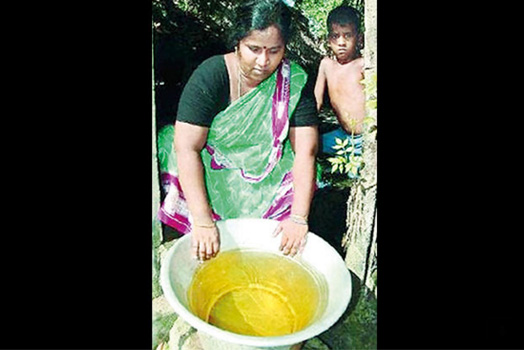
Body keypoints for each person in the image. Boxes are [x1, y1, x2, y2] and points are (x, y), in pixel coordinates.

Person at [157, 0, 319, 261]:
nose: (263, 61)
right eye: (254, 49)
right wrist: (203, 221)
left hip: (266, 169)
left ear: (284, 49)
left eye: (274, 51)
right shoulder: (212, 74)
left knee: (304, 181)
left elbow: (305, 152)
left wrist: (299, 218)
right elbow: (188, 146)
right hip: (213, 164)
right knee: (170, 144)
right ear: (237, 43)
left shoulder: (294, 82)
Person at [314, 5, 364, 176]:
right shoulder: (326, 65)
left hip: (365, 139)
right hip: (341, 137)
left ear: (359, 38)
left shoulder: (363, 65)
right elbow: (317, 101)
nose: (341, 42)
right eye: (336, 36)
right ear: (329, 40)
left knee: (356, 176)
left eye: (348, 35)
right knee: (307, 145)